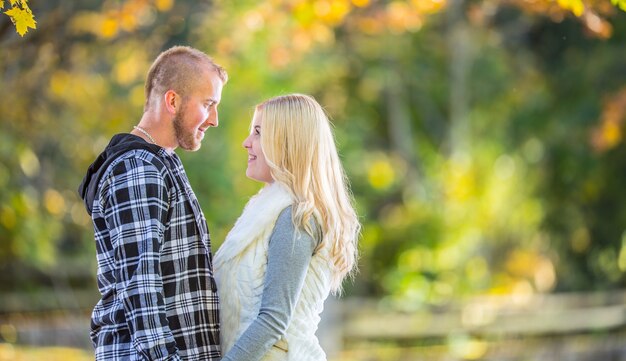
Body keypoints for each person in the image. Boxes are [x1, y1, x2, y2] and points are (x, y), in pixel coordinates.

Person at [78, 45, 227, 360]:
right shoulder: (138, 169)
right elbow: (141, 287)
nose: (214, 119)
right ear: (172, 101)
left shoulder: (159, 163)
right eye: (208, 103)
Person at [214, 94, 361, 361]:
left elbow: (273, 320)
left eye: (258, 133)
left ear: (286, 141)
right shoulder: (268, 213)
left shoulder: (297, 217)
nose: (246, 143)